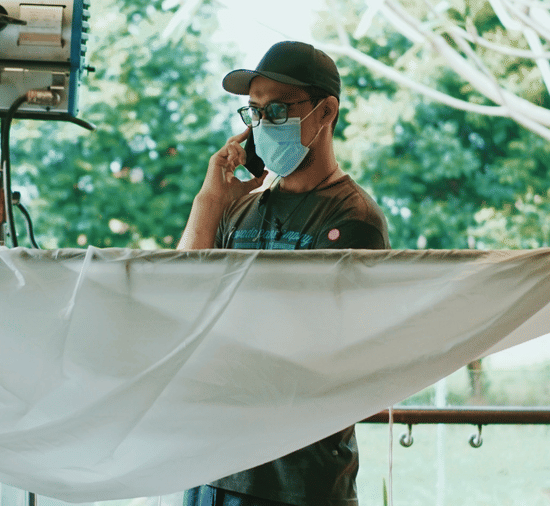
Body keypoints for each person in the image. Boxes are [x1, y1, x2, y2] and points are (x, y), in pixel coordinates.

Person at [179, 41, 389, 506]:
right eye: (253, 112)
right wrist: (209, 201)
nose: (261, 124)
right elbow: (180, 299)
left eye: (276, 109)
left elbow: (320, 358)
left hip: (296, 485)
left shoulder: (352, 219)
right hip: (210, 469)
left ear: (325, 111)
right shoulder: (240, 209)